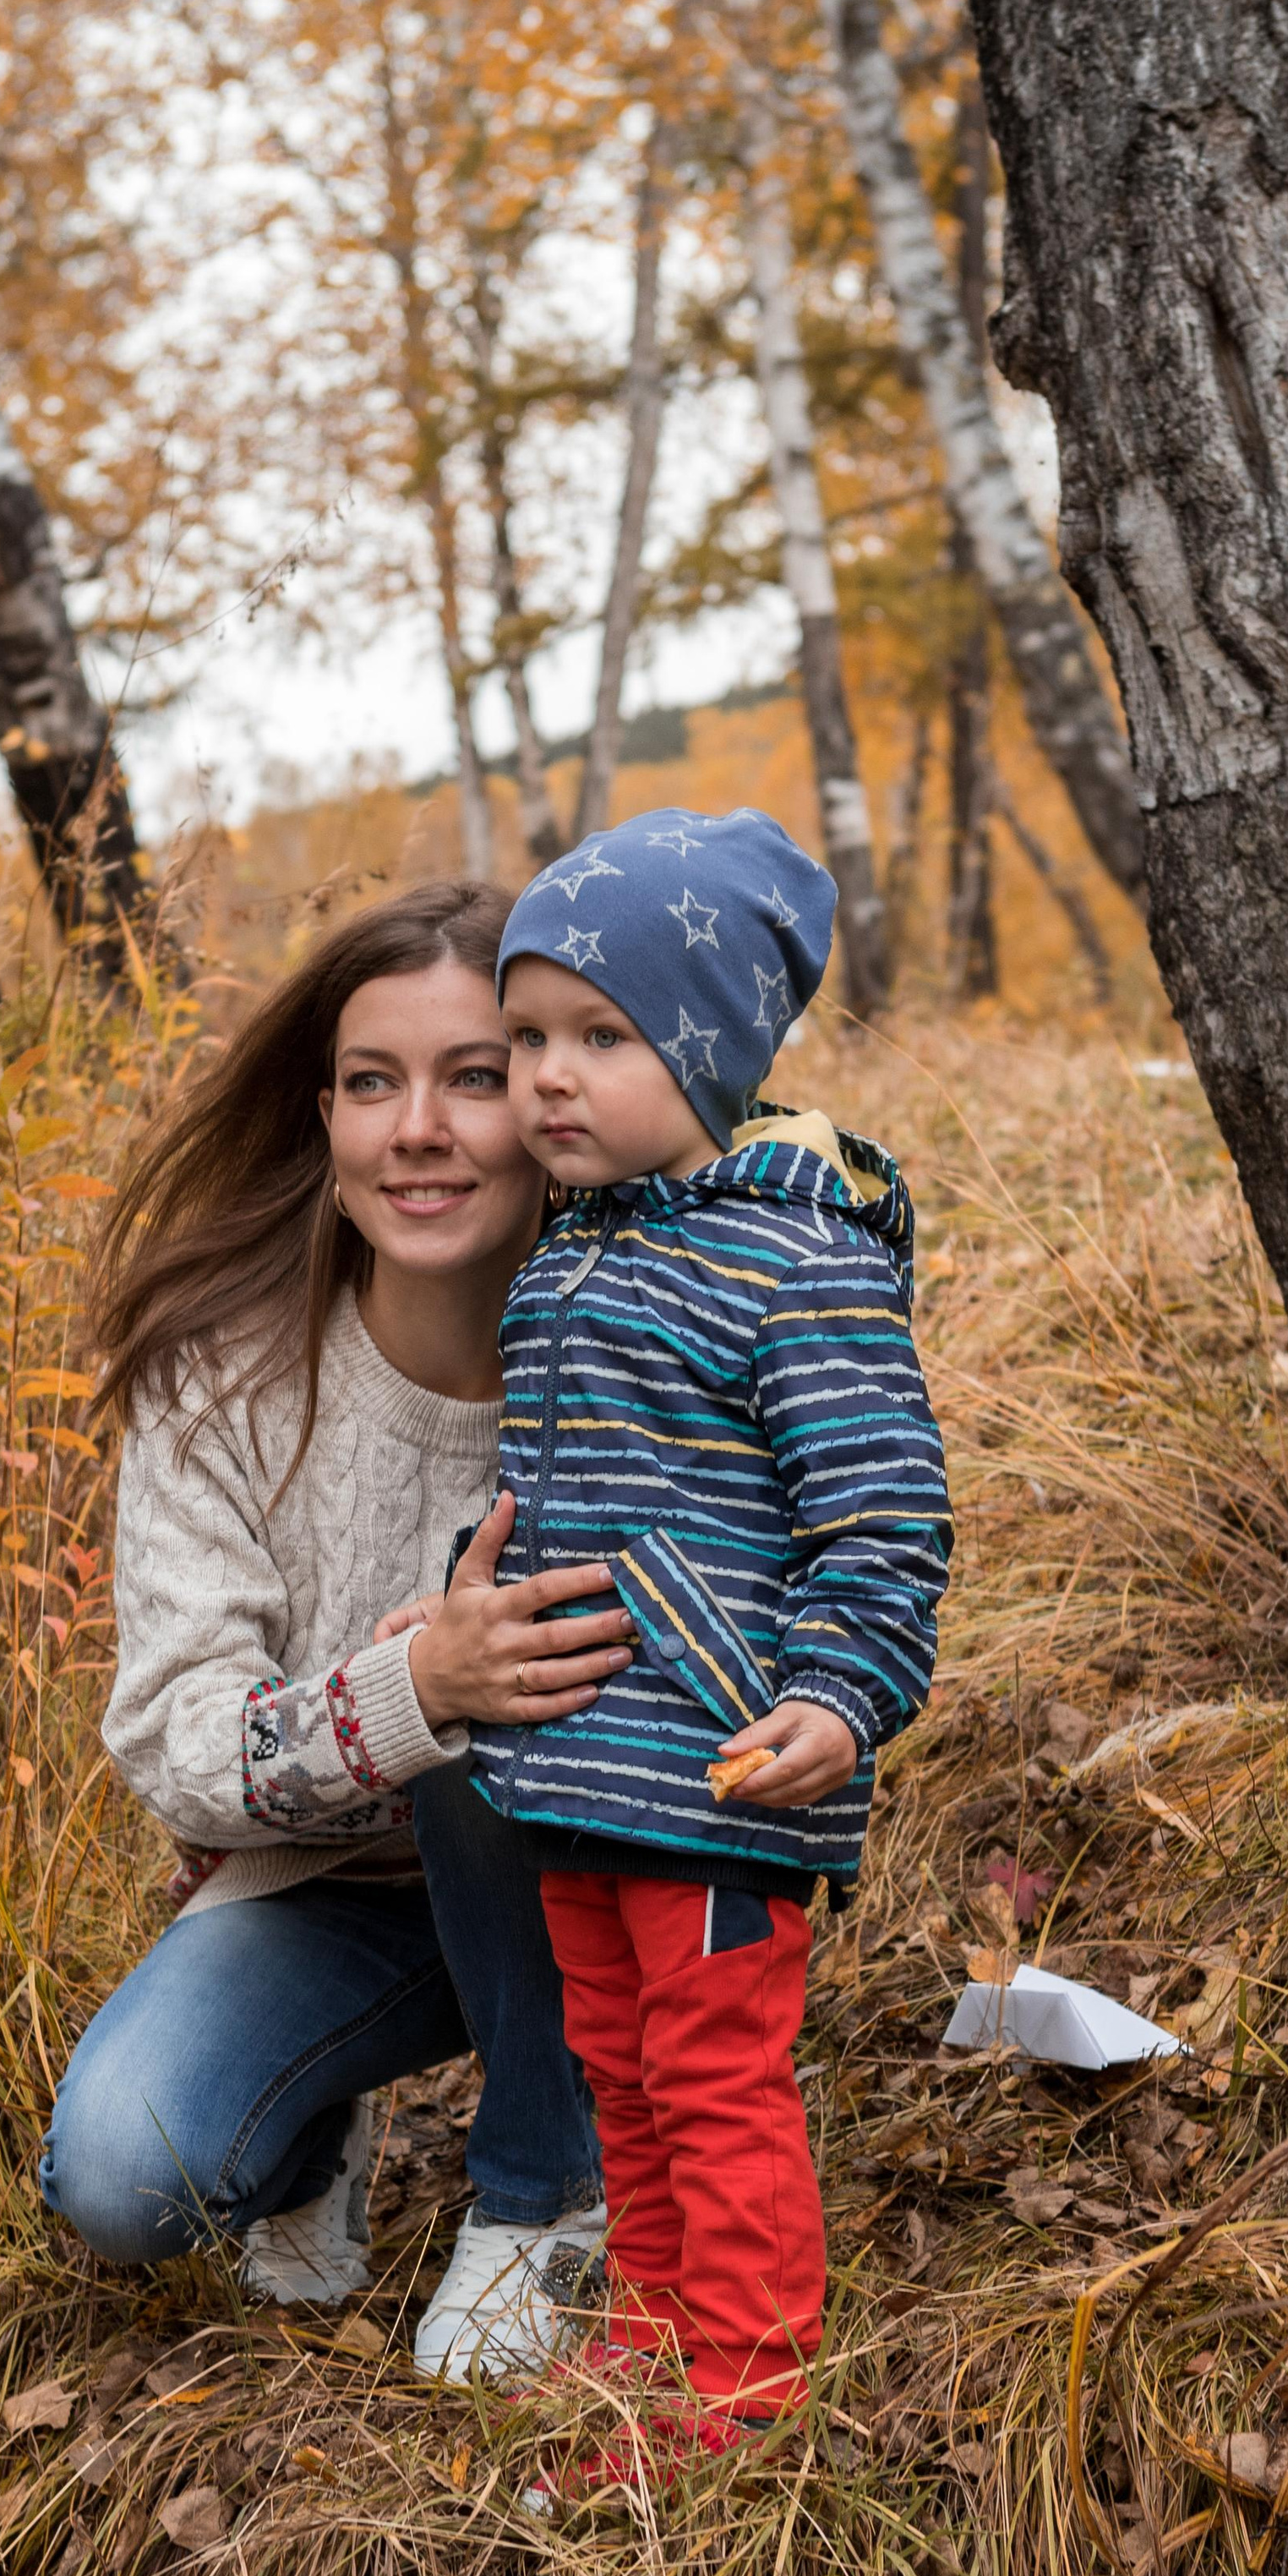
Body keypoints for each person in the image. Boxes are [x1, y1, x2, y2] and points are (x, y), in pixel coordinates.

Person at [40, 878, 634, 2380]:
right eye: (373, 1083)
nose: (416, 1129)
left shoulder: (648, 1348)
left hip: (588, 1879)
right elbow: (177, 1746)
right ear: (325, 1119)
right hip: (322, 1893)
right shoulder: (220, 1378)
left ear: (552, 1106)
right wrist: (410, 1685)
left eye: (472, 1078)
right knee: (121, 2172)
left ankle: (545, 2188)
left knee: (501, 1683)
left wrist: (470, 1684)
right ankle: (313, 2124)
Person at [451, 807, 952, 2482]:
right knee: (619, 2061)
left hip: (722, 1766)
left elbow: (879, 1516)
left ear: (714, 1045)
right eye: (527, 1039)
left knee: (713, 2068)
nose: (548, 1079)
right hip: (583, 1760)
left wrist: (839, 1693)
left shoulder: (797, 1262)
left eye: (602, 1038)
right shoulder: (570, 1252)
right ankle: (648, 2334)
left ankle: (741, 2391)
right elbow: (567, 1493)